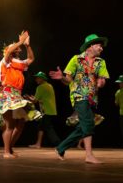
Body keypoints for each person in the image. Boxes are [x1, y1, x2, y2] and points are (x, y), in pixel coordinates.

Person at [0, 31, 41, 158]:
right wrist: (20, 42)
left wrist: (27, 45)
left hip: (17, 95)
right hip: (7, 94)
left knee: (21, 123)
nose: (18, 50)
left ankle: (9, 148)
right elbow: (9, 52)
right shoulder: (4, 62)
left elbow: (31, 59)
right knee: (9, 124)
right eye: (16, 49)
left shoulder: (18, 64)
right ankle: (5, 152)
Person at [49, 33, 109, 164]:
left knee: (85, 126)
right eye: (99, 45)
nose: (101, 48)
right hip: (78, 95)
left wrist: (101, 82)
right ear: (91, 46)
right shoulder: (76, 59)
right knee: (88, 124)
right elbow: (68, 80)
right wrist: (62, 78)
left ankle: (61, 148)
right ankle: (89, 155)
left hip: (92, 98)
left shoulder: (101, 62)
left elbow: (102, 79)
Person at [24, 71, 60, 148]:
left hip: (46, 110)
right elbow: (44, 98)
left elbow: (35, 101)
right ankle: (38, 143)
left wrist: (27, 98)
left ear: (42, 79)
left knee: (48, 127)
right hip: (51, 109)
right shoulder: (49, 86)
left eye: (37, 78)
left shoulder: (40, 87)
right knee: (41, 127)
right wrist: (33, 98)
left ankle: (57, 144)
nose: (36, 79)